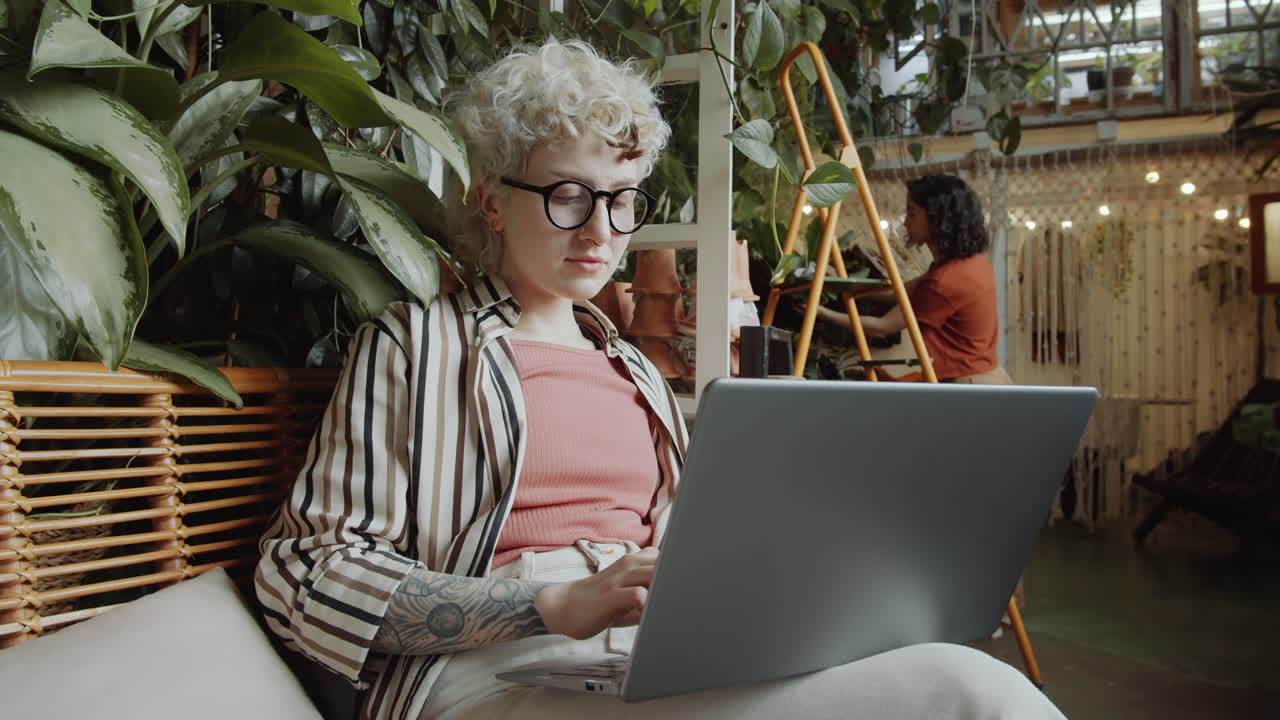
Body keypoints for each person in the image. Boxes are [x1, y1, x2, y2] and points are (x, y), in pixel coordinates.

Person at [255, 40, 1060, 720]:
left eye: (623, 201)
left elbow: (682, 555)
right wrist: (544, 605)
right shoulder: (418, 346)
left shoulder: (632, 367)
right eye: (571, 198)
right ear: (491, 200)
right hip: (494, 671)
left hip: (648, 654)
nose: (603, 232)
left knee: (974, 686)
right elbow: (306, 569)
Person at [811, 175, 1013, 384]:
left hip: (969, 384)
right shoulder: (970, 263)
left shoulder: (945, 281)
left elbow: (883, 326)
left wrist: (820, 312)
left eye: (913, 214)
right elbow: (897, 293)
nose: (906, 222)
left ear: (937, 220)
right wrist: (841, 281)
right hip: (990, 376)